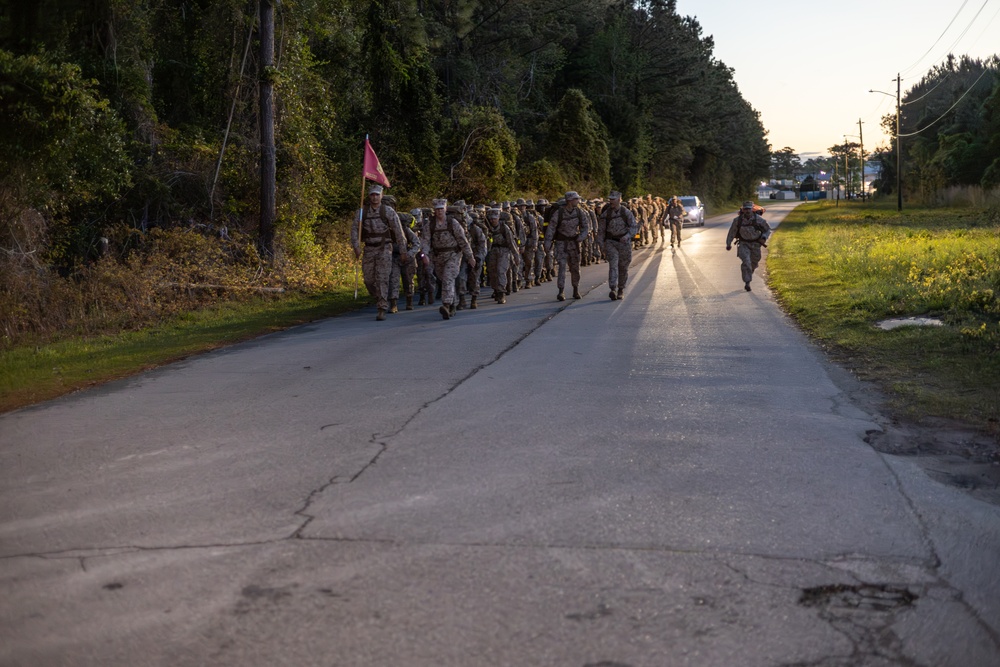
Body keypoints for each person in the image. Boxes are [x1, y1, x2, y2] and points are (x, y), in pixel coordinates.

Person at [350, 184, 409, 321]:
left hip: (384, 248)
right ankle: (381, 298)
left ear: (381, 196)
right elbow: (354, 229)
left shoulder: (388, 211)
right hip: (369, 248)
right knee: (369, 280)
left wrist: (403, 250)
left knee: (382, 278)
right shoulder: (361, 212)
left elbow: (399, 231)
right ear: (369, 196)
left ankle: (382, 307)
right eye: (372, 195)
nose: (375, 197)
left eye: (377, 194)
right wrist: (356, 246)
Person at [422, 198, 476, 319]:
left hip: (453, 255)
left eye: (441, 209)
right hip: (438, 257)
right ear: (434, 210)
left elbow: (463, 241)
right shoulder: (430, 224)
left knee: (448, 278)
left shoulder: (453, 223)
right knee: (444, 279)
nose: (439, 211)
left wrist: (470, 256)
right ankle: (453, 304)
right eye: (437, 209)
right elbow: (425, 241)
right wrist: (424, 255)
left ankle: (445, 305)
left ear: (445, 209)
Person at [543, 191, 590, 301]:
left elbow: (585, 226)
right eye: (576, 199)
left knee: (575, 268)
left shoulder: (579, 212)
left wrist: (581, 237)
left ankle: (575, 289)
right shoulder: (558, 213)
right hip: (561, 244)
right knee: (562, 267)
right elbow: (551, 229)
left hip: (574, 243)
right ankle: (561, 291)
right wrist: (547, 243)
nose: (578, 201)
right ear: (570, 200)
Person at [597, 191, 638, 300]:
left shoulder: (626, 213)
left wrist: (628, 236)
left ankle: (621, 289)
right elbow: (601, 231)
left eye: (613, 199)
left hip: (624, 243)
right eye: (610, 199)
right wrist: (601, 246)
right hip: (611, 242)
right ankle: (613, 289)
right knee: (613, 265)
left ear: (619, 199)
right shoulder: (606, 214)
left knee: (623, 267)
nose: (611, 201)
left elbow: (634, 227)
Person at [726, 200, 772, 292]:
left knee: (754, 263)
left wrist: (763, 237)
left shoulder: (759, 220)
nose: (747, 211)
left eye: (748, 209)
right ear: (743, 209)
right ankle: (747, 282)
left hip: (756, 244)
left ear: (752, 209)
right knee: (746, 261)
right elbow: (732, 232)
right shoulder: (737, 221)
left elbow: (767, 230)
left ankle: (749, 273)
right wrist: (728, 243)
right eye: (745, 209)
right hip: (743, 244)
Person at [484, 207, 519, 304]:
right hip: (492, 251)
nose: (492, 220)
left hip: (504, 250)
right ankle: (495, 289)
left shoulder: (504, 228)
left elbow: (511, 242)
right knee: (492, 272)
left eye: (494, 218)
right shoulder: (487, 228)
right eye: (491, 219)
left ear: (498, 218)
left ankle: (501, 293)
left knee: (501, 271)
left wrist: (516, 256)